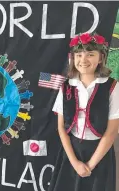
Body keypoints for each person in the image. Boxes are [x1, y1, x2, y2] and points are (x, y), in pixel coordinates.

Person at [48, 32, 119, 191]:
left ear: (100, 58)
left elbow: (112, 130)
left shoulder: (112, 87)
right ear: (73, 58)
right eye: (78, 55)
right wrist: (75, 162)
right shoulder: (66, 86)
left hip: (99, 152)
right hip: (71, 152)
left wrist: (90, 165)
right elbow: (61, 127)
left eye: (90, 55)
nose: (83, 60)